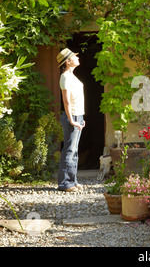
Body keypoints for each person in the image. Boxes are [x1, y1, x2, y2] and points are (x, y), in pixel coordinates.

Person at [57, 48, 85, 192]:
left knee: (74, 151)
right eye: (74, 56)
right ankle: (65, 184)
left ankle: (72, 181)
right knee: (69, 150)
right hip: (72, 116)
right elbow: (66, 101)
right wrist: (71, 119)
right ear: (68, 61)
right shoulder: (65, 77)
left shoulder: (72, 76)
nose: (77, 58)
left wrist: (80, 118)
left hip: (77, 116)